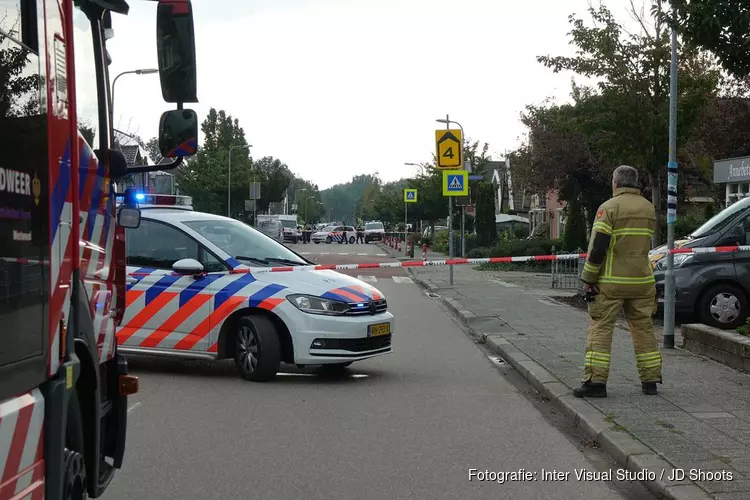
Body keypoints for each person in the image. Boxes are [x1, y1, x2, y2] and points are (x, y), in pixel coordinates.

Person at [574, 165, 661, 399]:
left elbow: (598, 248)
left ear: (615, 183)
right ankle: (650, 380)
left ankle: (595, 383)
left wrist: (589, 278)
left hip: (611, 282)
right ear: (635, 183)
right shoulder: (648, 209)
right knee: (643, 329)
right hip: (642, 280)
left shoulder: (609, 208)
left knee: (600, 329)